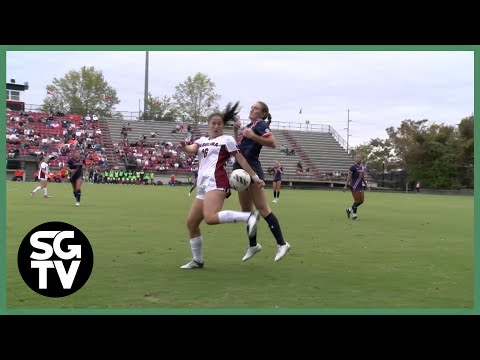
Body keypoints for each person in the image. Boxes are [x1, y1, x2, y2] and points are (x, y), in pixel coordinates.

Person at [179, 102, 265, 269]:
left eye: (219, 123)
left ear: (223, 126)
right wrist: (184, 147)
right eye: (213, 123)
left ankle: (248, 217)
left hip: (217, 181)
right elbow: (191, 149)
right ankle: (197, 260)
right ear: (209, 124)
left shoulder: (227, 140)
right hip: (203, 185)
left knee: (210, 218)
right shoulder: (202, 140)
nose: (216, 126)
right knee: (191, 222)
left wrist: (255, 177)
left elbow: (241, 159)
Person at [232, 101, 290, 262]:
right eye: (251, 107)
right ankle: (253, 245)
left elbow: (272, 143)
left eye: (256, 108)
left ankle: (282, 243)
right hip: (240, 169)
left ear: (263, 113)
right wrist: (237, 130)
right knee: (246, 211)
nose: (252, 109)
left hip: (252, 170)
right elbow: (239, 147)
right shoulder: (250, 125)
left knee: (263, 209)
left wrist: (253, 136)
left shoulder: (260, 124)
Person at [343, 153, 370, 220]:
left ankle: (349, 210)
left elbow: (362, 177)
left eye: (359, 157)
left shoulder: (363, 167)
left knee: (361, 201)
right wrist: (346, 185)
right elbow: (349, 177)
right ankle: (354, 216)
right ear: (354, 158)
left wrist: (366, 185)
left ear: (362, 159)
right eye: (356, 157)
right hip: (354, 186)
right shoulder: (353, 167)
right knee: (357, 200)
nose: (358, 158)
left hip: (360, 186)